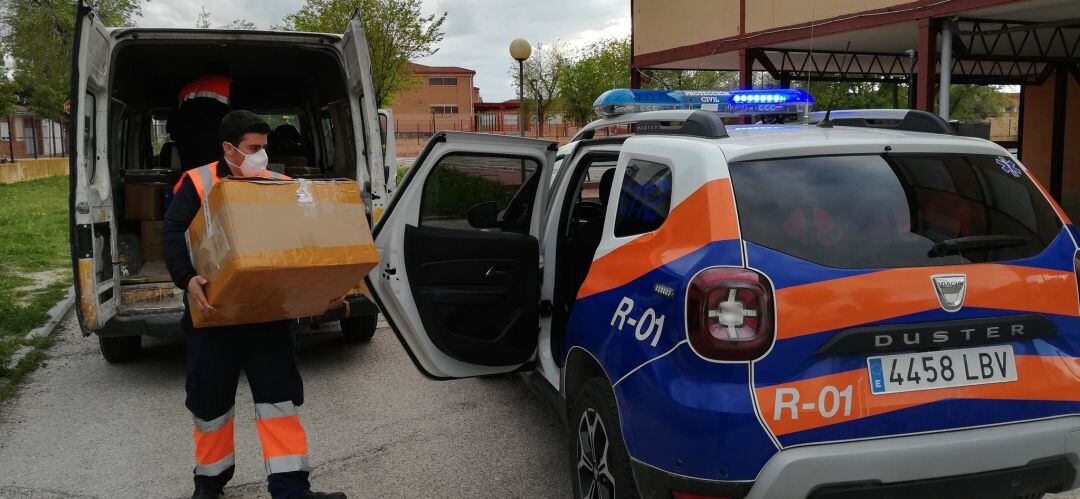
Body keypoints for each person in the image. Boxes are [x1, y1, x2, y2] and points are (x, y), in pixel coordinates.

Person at [162, 110, 346, 499]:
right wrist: (186, 277)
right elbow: (173, 231)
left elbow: (306, 241)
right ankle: (209, 485)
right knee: (210, 405)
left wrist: (325, 285)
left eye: (265, 148)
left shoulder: (278, 184)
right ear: (229, 148)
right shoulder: (198, 182)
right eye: (254, 148)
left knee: (278, 401)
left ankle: (291, 489)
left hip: (269, 315)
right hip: (214, 314)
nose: (262, 156)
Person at [170, 65, 233, 170]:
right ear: (226, 74)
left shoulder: (186, 89)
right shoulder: (229, 84)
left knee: (195, 181)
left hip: (188, 151)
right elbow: (244, 123)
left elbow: (172, 128)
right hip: (216, 148)